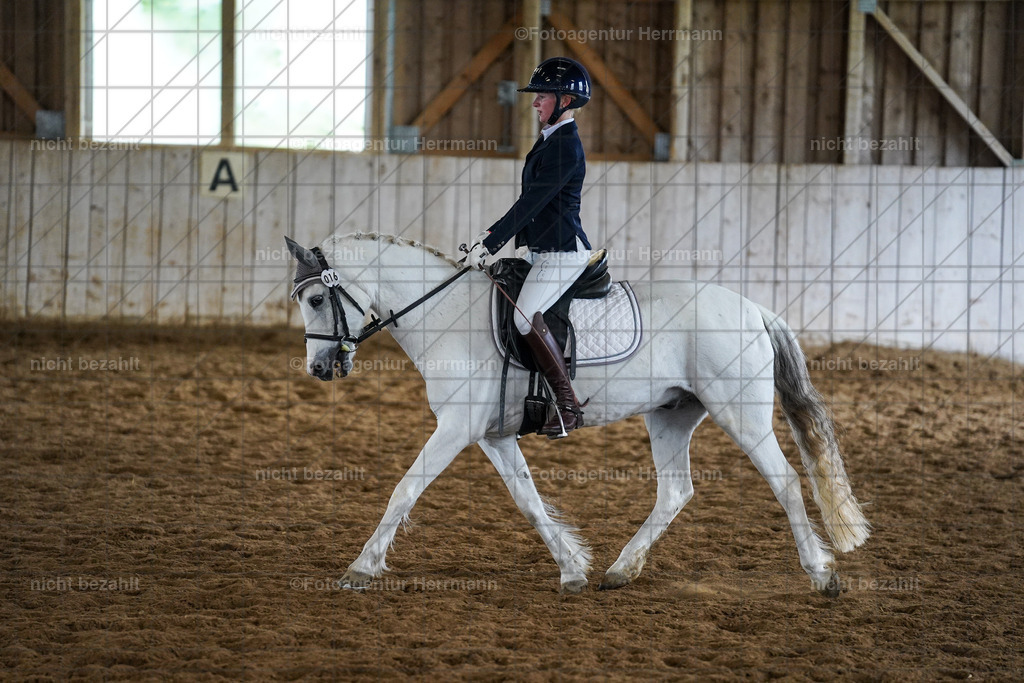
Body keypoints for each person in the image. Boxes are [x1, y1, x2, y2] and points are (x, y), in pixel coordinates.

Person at [465, 56, 593, 439]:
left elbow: (532, 203)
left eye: (542, 97)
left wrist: (490, 242)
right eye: (535, 97)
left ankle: (568, 405)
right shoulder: (550, 139)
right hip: (539, 250)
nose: (535, 103)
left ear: (565, 101)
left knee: (524, 318)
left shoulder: (564, 146)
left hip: (563, 252)